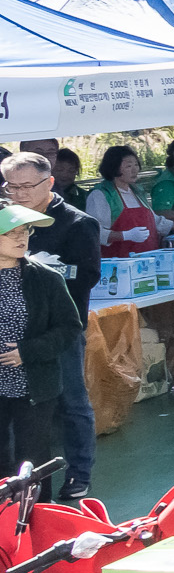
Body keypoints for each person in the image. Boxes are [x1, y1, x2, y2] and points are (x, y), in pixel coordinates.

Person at [3, 153, 101, 483]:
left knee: (71, 401)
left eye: (26, 186)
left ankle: (79, 473)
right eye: (11, 186)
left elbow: (87, 275)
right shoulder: (6, 218)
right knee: (19, 409)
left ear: (49, 182)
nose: (17, 193)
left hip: (60, 329)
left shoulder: (77, 223)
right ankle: (14, 484)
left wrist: (49, 269)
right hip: (16, 336)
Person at [0, 202, 82, 499]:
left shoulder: (46, 277)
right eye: (12, 233)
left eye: (25, 231)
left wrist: (28, 351)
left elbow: (69, 327)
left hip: (34, 382)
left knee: (33, 458)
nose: (21, 238)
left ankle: (38, 517)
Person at [88, 145, 171, 256]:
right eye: (128, 166)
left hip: (149, 258)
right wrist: (126, 235)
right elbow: (95, 232)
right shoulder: (101, 195)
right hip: (119, 264)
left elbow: (156, 222)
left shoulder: (137, 192)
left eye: (136, 165)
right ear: (114, 167)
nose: (134, 170)